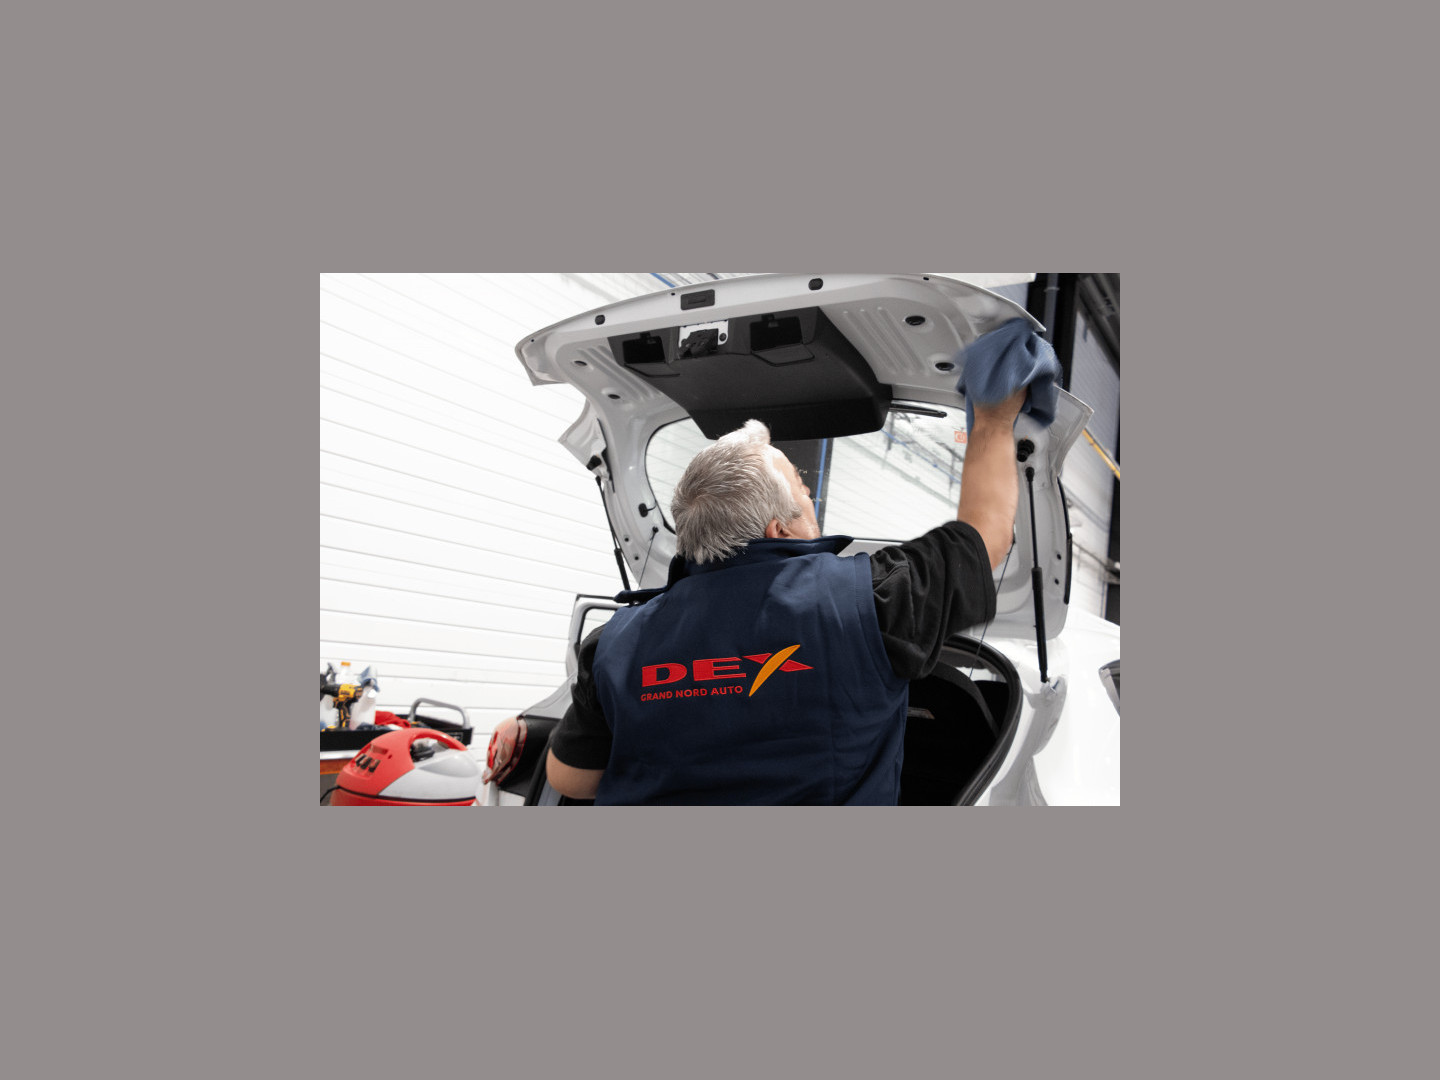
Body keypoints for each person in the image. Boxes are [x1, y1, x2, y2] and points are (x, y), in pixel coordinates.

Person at [488, 385, 1028, 804]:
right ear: (778, 528)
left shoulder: (614, 642)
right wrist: (996, 418)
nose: (811, 498)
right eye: (804, 490)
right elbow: (986, 536)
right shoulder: (873, 601)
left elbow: (572, 779)